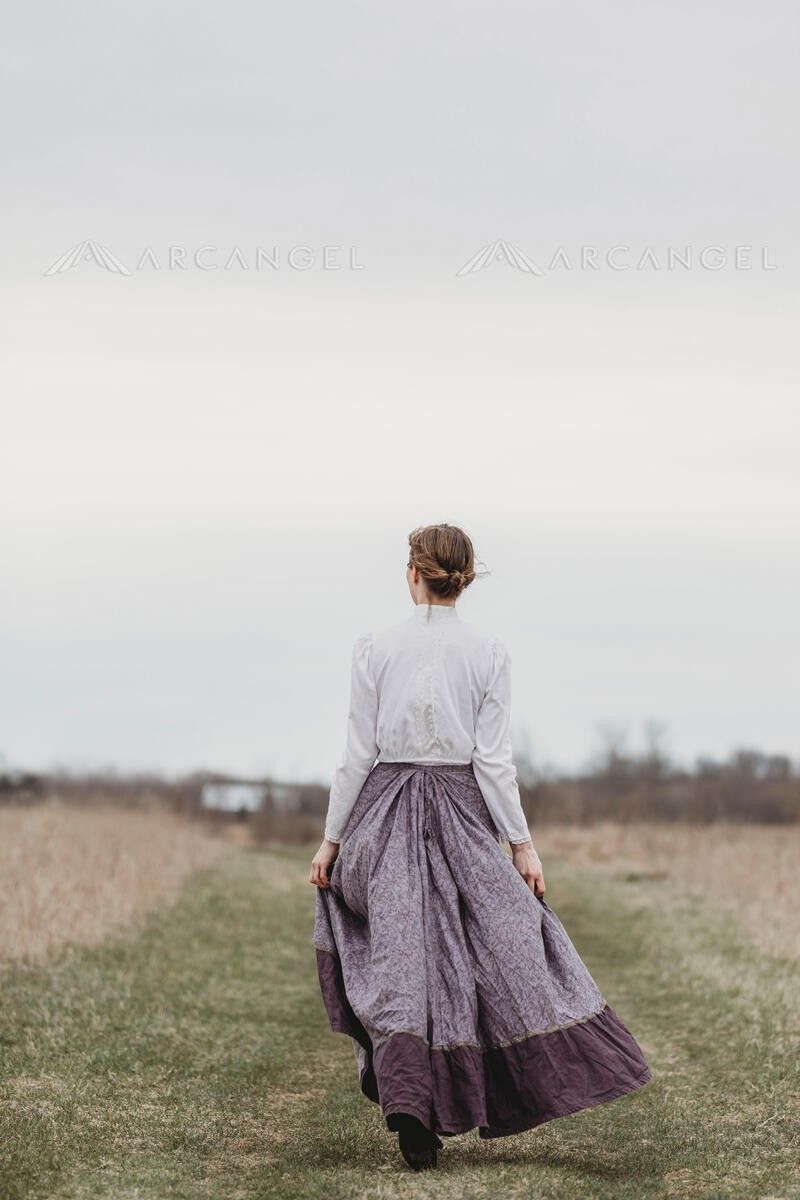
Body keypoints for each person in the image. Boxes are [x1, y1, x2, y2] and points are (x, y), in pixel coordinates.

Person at [310, 523, 652, 1170]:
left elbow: (356, 754)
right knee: (488, 946)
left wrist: (331, 841)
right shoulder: (489, 651)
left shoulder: (373, 647)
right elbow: (493, 761)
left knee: (404, 956)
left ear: (414, 573)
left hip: (383, 809)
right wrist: (522, 846)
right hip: (462, 807)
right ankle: (426, 1101)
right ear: (462, 580)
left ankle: (411, 1098)